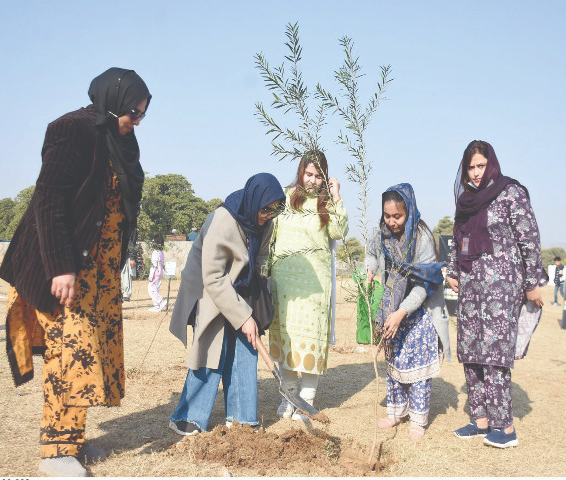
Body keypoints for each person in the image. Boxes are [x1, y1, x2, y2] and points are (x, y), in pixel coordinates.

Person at [0, 67, 151, 476]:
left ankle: (73, 441)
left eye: (142, 115)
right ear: (113, 100)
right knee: (69, 354)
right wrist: (61, 268)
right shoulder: (72, 129)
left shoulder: (119, 142)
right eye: (133, 113)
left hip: (99, 273)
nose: (136, 122)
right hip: (65, 266)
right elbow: (49, 202)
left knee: (88, 355)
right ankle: (55, 452)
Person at [168, 173, 285, 435]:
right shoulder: (223, 220)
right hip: (208, 285)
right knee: (212, 348)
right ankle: (189, 417)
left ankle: (243, 418)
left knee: (247, 346)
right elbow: (213, 276)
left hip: (241, 286)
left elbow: (260, 258)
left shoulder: (266, 224)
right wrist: (241, 316)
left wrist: (251, 304)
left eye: (275, 209)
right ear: (254, 200)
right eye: (266, 209)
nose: (269, 215)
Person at [447, 140, 542, 449]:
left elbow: (529, 237)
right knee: (470, 349)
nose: (476, 173)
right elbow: (456, 238)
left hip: (502, 287)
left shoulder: (511, 192)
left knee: (495, 353)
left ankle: (505, 427)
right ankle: (480, 420)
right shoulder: (466, 201)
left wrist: (533, 281)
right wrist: (452, 271)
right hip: (470, 286)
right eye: (471, 167)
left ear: (492, 164)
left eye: (481, 165)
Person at [268, 151, 349, 420]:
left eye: (318, 176)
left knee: (310, 342)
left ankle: (306, 401)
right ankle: (288, 397)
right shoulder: (284, 197)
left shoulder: (326, 204)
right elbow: (272, 235)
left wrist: (336, 196)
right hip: (284, 283)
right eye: (308, 174)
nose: (312, 181)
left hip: (315, 286)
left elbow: (339, 232)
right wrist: (266, 270)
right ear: (301, 171)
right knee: (288, 341)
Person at [364, 184, 448, 440]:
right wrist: (368, 271)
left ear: (408, 211)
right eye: (387, 216)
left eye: (397, 216)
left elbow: (425, 283)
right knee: (395, 361)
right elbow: (372, 255)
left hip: (419, 308)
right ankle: (396, 413)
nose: (391, 222)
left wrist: (401, 312)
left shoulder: (421, 238)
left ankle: (418, 419)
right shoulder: (381, 233)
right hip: (393, 305)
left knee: (418, 365)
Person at [148, 233, 166, 312]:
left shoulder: (155, 252)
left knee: (151, 289)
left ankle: (161, 301)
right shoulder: (161, 253)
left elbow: (154, 265)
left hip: (155, 272)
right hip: (160, 272)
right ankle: (157, 306)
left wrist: (151, 276)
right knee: (156, 288)